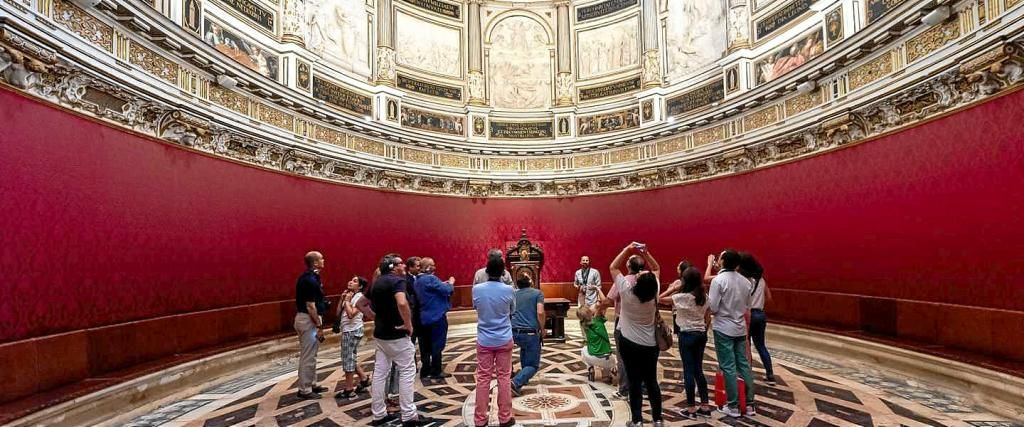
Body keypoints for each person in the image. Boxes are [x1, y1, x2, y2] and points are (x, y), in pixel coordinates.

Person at [363, 254, 432, 427]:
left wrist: (375, 318)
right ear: (393, 267)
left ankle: (378, 414)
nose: (404, 266)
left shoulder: (377, 282)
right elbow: (402, 303)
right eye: (401, 263)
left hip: (381, 335)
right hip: (397, 335)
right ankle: (409, 415)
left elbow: (361, 304)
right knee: (407, 371)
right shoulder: (397, 281)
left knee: (380, 374)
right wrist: (408, 324)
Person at [608, 242, 664, 427]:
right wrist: (646, 253)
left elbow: (613, 267)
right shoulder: (654, 292)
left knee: (634, 382)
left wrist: (627, 249)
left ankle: (637, 420)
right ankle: (658, 419)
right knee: (652, 382)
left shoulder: (627, 292)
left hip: (629, 343)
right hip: (650, 344)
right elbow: (656, 268)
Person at [659, 264, 712, 418]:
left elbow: (659, 299)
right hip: (701, 334)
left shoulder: (681, 297)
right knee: (698, 370)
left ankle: (691, 408)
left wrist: (673, 288)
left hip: (687, 335)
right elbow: (708, 316)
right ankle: (705, 406)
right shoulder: (704, 297)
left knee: (688, 371)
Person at [708, 249, 756, 418]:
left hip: (723, 328)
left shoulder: (718, 281)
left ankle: (733, 405)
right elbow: (747, 307)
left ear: (722, 261)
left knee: (728, 366)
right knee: (743, 364)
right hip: (739, 327)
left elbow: (713, 307)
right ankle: (749, 405)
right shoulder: (746, 282)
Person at [471, 257, 517, 427]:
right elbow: (512, 310)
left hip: (484, 339)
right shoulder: (509, 290)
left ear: (487, 271)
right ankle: (505, 417)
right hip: (504, 338)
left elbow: (476, 308)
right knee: (504, 378)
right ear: (503, 272)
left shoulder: (477, 289)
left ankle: (480, 419)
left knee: (483, 378)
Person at [294, 251, 329, 400]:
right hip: (308, 319)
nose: (324, 260)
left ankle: (311, 383)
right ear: (315, 263)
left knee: (312, 354)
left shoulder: (312, 277)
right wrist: (319, 326)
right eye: (321, 259)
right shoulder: (309, 280)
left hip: (308, 319)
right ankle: (305, 389)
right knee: (308, 355)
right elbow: (310, 306)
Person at [414, 257, 455, 380]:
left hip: (424, 316)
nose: (434, 267)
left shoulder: (417, 280)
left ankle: (425, 370)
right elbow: (447, 290)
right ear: (427, 267)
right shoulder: (430, 278)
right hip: (436, 316)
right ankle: (436, 370)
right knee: (437, 344)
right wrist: (451, 282)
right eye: (432, 264)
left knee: (425, 345)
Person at [740, 252, 775, 386]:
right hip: (760, 314)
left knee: (746, 345)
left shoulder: (745, 280)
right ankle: (770, 374)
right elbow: (769, 298)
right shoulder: (762, 280)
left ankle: (747, 373)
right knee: (761, 345)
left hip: (748, 314)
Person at [334, 276, 372, 399]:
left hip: (352, 330)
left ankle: (349, 389)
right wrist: (342, 299)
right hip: (347, 330)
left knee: (348, 359)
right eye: (351, 280)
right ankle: (364, 378)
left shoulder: (360, 298)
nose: (350, 282)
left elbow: (351, 314)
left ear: (360, 286)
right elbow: (338, 313)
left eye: (355, 281)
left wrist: (347, 301)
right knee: (350, 357)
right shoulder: (349, 296)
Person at [510, 274, 545, 396]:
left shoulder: (513, 294)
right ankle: (515, 382)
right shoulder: (537, 293)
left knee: (525, 349)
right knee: (533, 365)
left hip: (514, 331)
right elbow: (540, 312)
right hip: (530, 332)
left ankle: (522, 379)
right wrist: (542, 328)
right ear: (530, 282)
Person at [577, 292, 617, 381]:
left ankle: (591, 368)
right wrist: (598, 289)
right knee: (612, 360)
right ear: (590, 312)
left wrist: (596, 307)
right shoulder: (598, 320)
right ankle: (607, 373)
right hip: (607, 359)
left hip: (593, 358)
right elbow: (605, 302)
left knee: (584, 350)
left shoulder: (583, 324)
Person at [403, 257, 429, 379]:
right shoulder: (405, 280)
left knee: (424, 343)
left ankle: (426, 367)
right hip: (411, 317)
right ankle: (412, 367)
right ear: (410, 267)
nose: (420, 268)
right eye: (417, 266)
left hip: (422, 316)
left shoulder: (423, 278)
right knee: (411, 344)